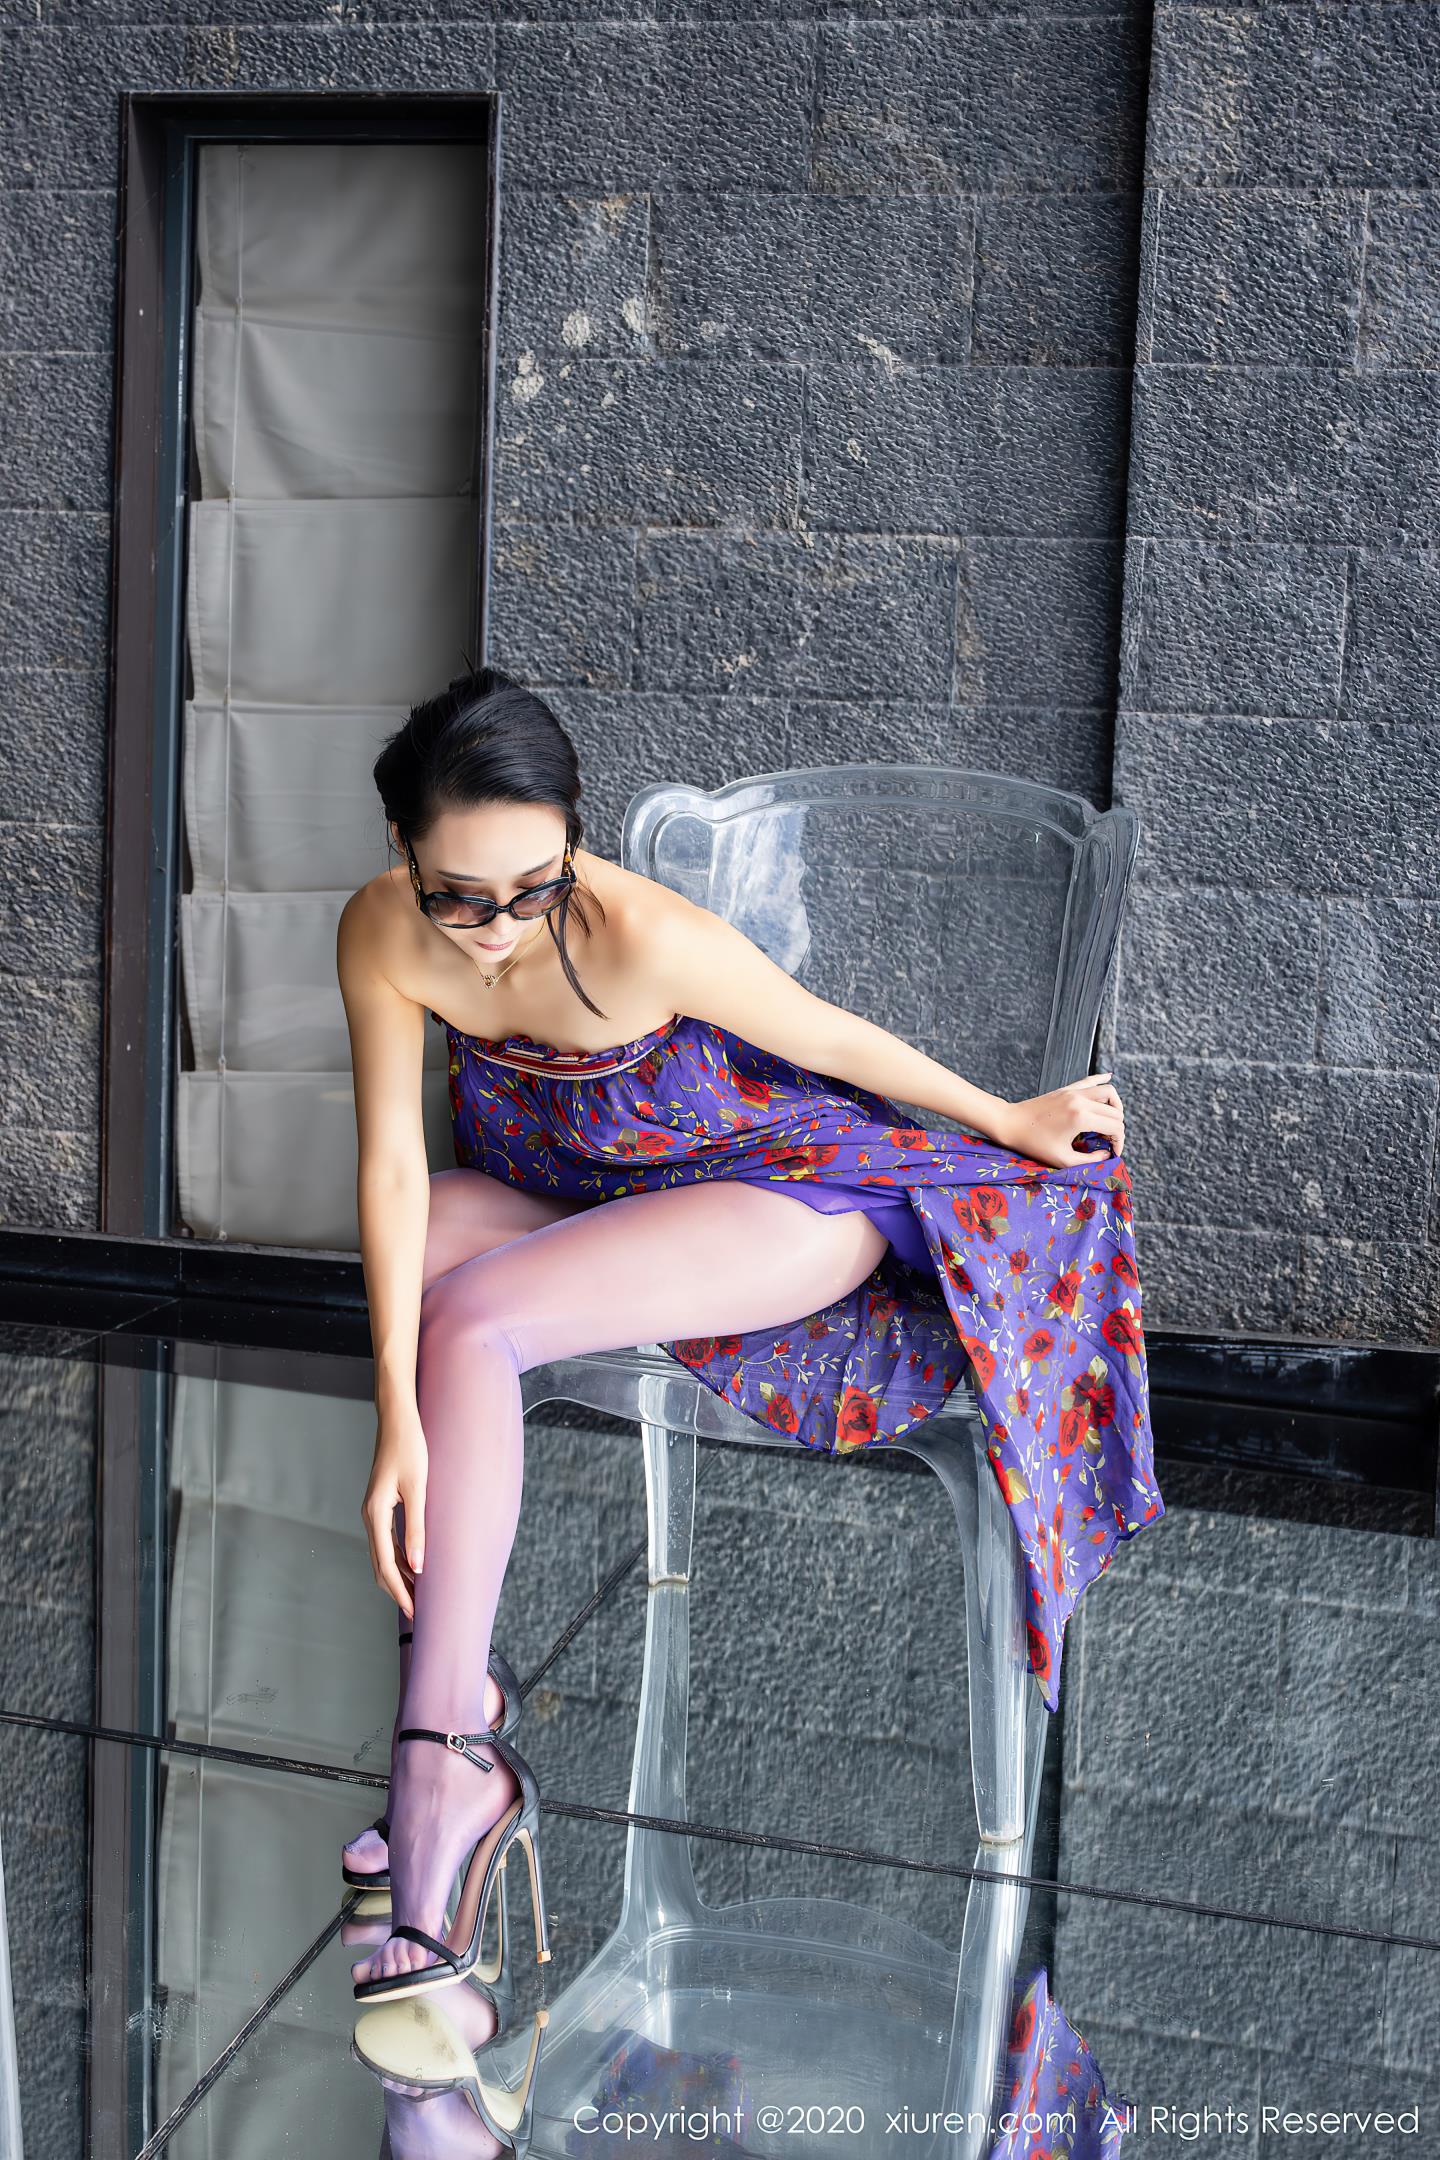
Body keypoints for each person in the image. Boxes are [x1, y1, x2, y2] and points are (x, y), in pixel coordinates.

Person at [339, 666, 1162, 1997]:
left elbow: (831, 1038)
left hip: (784, 1195)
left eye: (535, 887)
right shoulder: (380, 932)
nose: (498, 929)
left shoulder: (637, 934)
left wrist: (1008, 1119)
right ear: (402, 852)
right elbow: (387, 1169)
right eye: (461, 896)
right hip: (597, 1196)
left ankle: (440, 1779)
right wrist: (393, 1414)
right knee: (418, 1248)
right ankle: (463, 1698)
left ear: (572, 846)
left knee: (475, 1319)